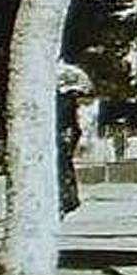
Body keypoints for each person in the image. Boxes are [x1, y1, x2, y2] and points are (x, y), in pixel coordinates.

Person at [56, 85, 83, 217]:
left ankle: (67, 200)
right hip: (64, 137)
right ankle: (67, 200)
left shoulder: (63, 102)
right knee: (64, 168)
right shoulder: (65, 101)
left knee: (63, 168)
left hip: (63, 138)